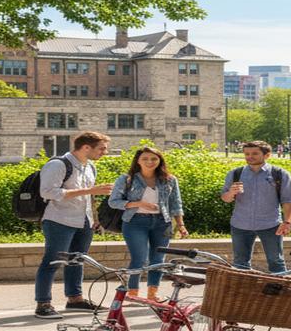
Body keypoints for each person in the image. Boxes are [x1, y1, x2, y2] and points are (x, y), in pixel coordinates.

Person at [33, 131, 114, 319]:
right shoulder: (58, 164)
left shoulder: (90, 166)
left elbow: (89, 196)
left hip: (84, 220)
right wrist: (90, 190)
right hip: (59, 220)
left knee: (77, 260)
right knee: (52, 261)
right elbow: (48, 192)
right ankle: (43, 304)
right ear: (86, 147)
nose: (105, 152)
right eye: (101, 149)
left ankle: (75, 299)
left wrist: (95, 219)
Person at [108, 146, 188, 300]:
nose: (149, 162)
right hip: (135, 222)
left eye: (154, 158)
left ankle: (152, 294)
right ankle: (132, 293)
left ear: (160, 161)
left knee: (158, 260)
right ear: (138, 161)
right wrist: (138, 203)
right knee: (139, 258)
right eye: (145, 158)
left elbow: (176, 204)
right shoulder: (126, 179)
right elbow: (114, 202)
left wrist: (181, 225)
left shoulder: (169, 179)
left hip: (162, 223)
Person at [221, 140, 291, 273]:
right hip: (240, 225)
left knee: (276, 261)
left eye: (255, 153)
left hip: (270, 225)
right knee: (240, 263)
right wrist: (231, 193)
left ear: (267, 155)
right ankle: (243, 286)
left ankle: (279, 286)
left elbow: (288, 200)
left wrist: (287, 222)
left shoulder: (279, 174)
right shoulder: (235, 173)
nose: (250, 157)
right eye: (247, 154)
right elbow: (225, 199)